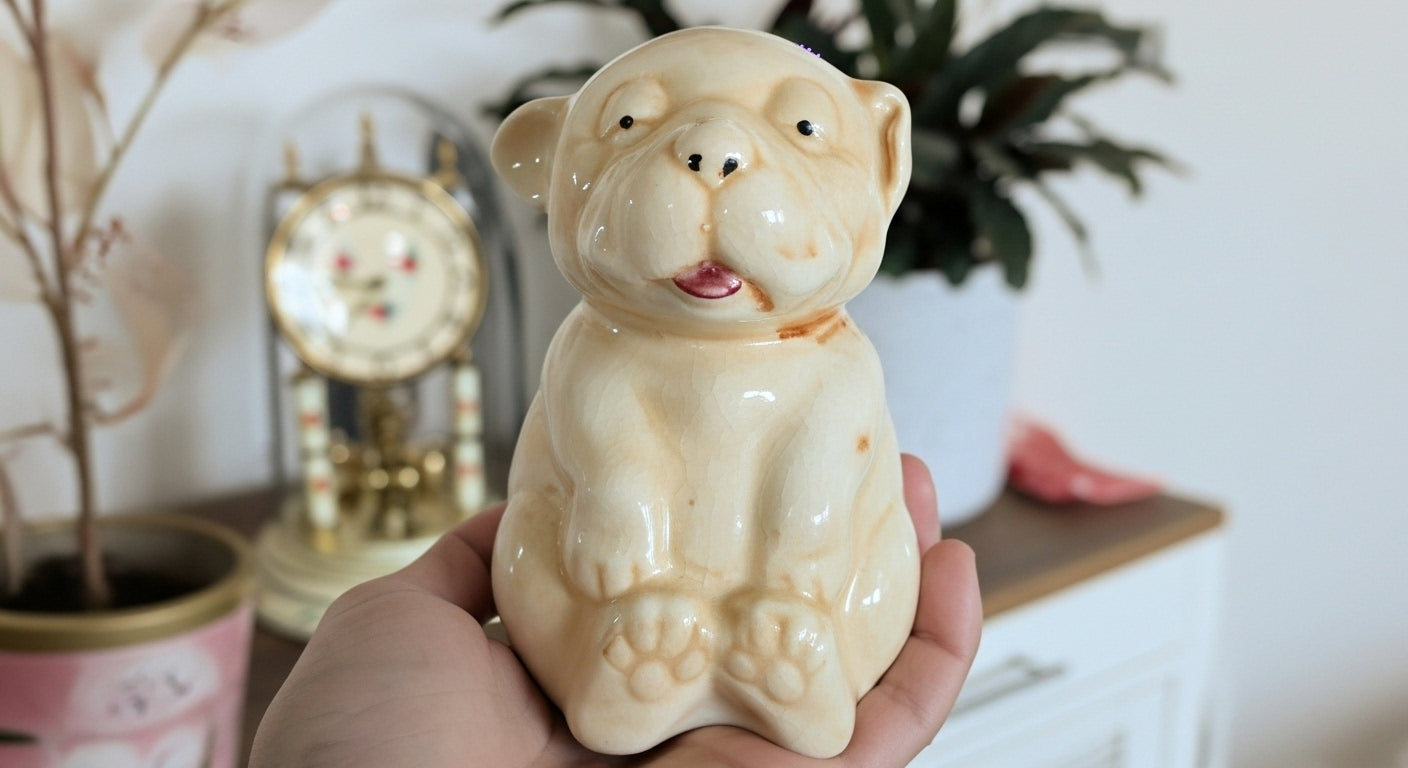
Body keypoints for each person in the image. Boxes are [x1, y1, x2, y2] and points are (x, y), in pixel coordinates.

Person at [250, 455, 981, 767]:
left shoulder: (840, 360)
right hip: (605, 616)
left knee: (856, 539)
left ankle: (802, 680)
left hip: (800, 600)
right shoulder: (590, 347)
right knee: (548, 537)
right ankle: (617, 685)